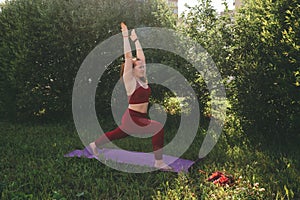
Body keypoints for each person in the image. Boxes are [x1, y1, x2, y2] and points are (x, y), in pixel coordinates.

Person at [89, 22, 172, 170]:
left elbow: (142, 58)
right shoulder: (130, 81)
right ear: (132, 70)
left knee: (117, 134)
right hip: (133, 118)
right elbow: (129, 57)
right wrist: (125, 37)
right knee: (158, 128)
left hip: (140, 118)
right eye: (139, 67)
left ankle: (94, 144)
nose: (143, 68)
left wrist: (136, 40)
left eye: (143, 67)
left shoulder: (142, 79)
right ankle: (158, 162)